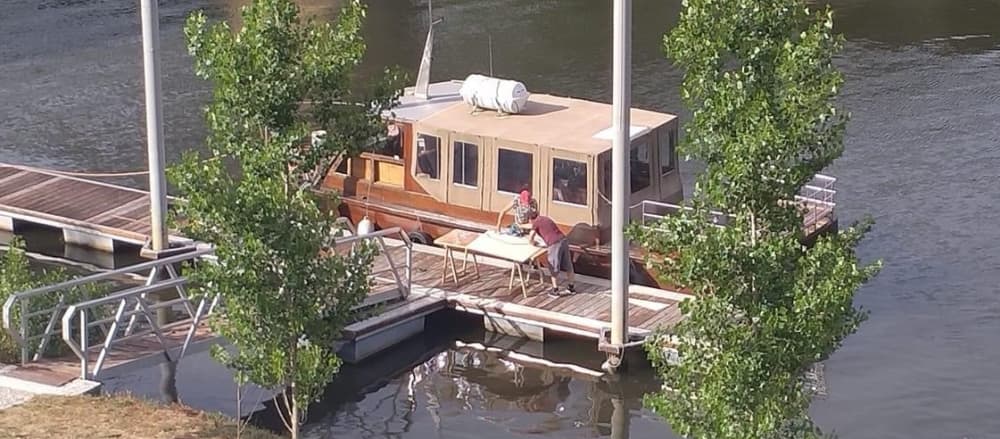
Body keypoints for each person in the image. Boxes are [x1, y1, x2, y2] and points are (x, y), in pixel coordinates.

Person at [524, 211, 575, 298]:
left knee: (553, 266)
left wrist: (532, 243)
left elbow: (531, 236)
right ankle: (571, 287)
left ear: (530, 219)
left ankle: (555, 290)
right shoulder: (545, 218)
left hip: (554, 244)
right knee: (568, 265)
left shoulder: (535, 222)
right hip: (563, 240)